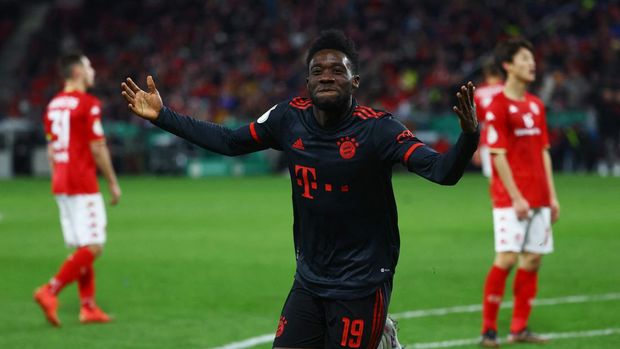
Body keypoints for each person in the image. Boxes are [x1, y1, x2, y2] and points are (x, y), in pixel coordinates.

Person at [121, 29, 479, 348]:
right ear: (307, 82)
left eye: (338, 70)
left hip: (361, 284)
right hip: (309, 280)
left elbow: (442, 171)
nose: (326, 77)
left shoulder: (379, 130)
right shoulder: (288, 117)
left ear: (355, 81)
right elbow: (231, 141)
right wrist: (165, 116)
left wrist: (469, 136)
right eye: (317, 71)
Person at [479, 38, 560, 347]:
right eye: (525, 58)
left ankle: (519, 328)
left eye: (532, 58)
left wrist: (551, 196)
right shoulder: (498, 105)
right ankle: (488, 330)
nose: (532, 63)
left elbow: (544, 151)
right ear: (508, 65)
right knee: (508, 258)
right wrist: (516, 197)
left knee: (533, 261)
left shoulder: (536, 105)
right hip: (510, 198)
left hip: (539, 196)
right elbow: (497, 154)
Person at [34, 53, 121, 326]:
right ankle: (50, 290)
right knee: (94, 246)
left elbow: (51, 149)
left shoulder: (53, 105)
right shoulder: (88, 104)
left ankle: (88, 307)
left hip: (61, 182)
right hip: (82, 182)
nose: (92, 70)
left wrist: (59, 179)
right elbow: (97, 147)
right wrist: (112, 182)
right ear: (77, 72)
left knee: (83, 245)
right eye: (88, 66)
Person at [472, 57, 504, 177]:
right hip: (509, 140)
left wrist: (477, 148)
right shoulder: (508, 90)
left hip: (488, 140)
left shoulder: (479, 93)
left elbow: (476, 123)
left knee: (493, 180)